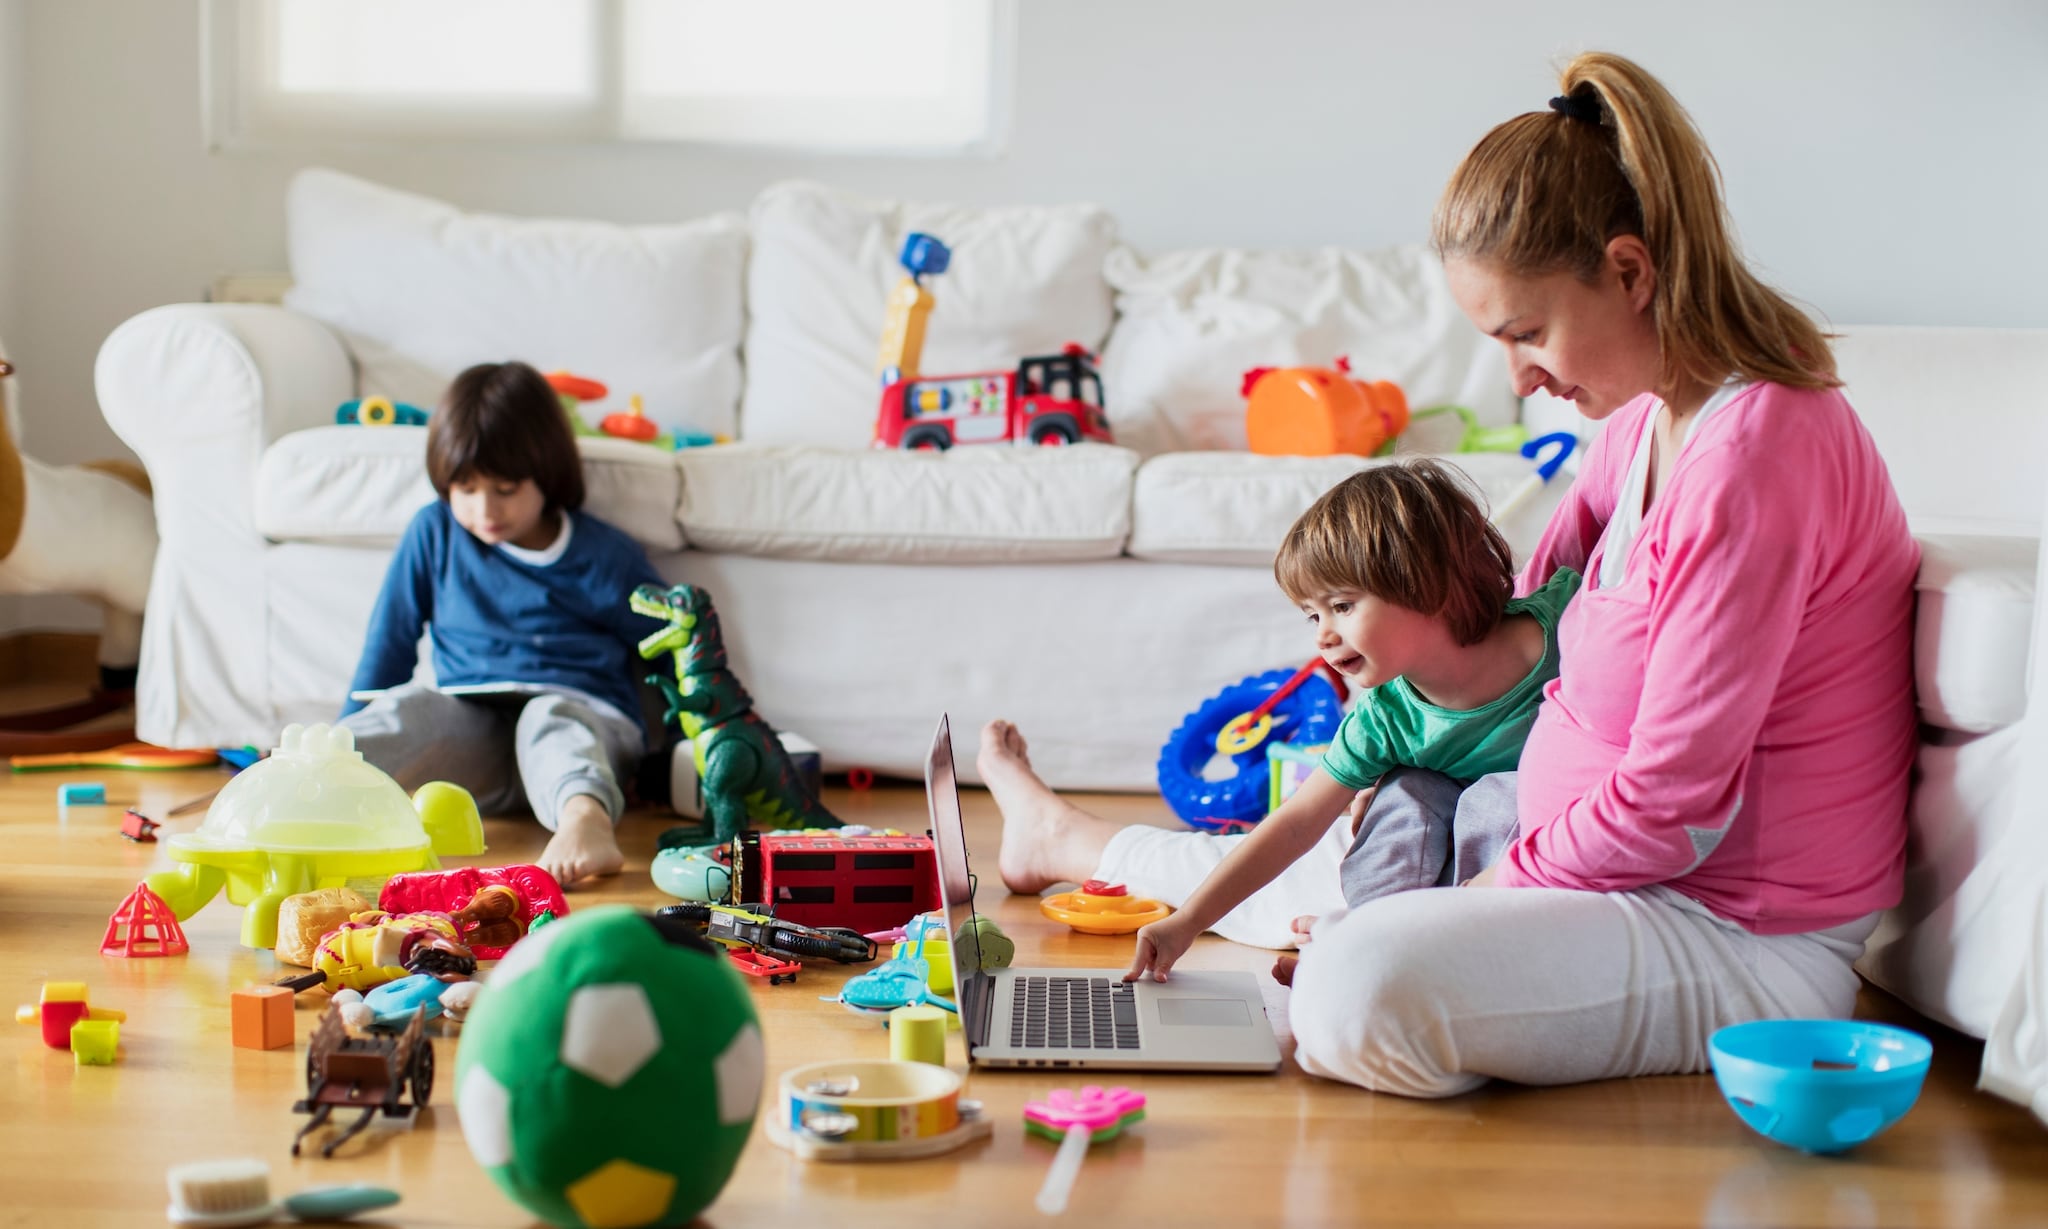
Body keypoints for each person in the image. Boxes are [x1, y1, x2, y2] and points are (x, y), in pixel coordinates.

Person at [982, 50, 1919, 1097]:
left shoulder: (1754, 455)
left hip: (1729, 926)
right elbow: (1512, 608)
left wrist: (1476, 888)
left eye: (1527, 333)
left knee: (1351, 979)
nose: (1519, 375)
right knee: (1346, 858)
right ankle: (1066, 837)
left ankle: (1377, 951)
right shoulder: (1647, 424)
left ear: (1628, 270)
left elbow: (1674, 805)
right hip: (1592, 867)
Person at [1124, 459, 1579, 986]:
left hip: (1521, 862)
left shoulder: (1568, 632)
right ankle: (1369, 939)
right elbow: (1295, 824)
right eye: (1312, 615)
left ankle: (1413, 950)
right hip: (1440, 860)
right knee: (1408, 792)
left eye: (1341, 605)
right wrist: (1187, 922)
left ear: (1425, 585)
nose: (1321, 634)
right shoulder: (1385, 717)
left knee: (1497, 796)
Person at [340, 360, 665, 888]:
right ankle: (309, 780)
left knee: (548, 716)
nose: (483, 509)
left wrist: (678, 754)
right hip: (478, 733)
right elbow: (388, 647)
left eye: (505, 489)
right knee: (410, 707)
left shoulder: (605, 555)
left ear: (547, 475)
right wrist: (345, 732)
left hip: (581, 730)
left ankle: (585, 820)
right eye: (464, 490)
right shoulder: (434, 532)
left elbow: (669, 654)